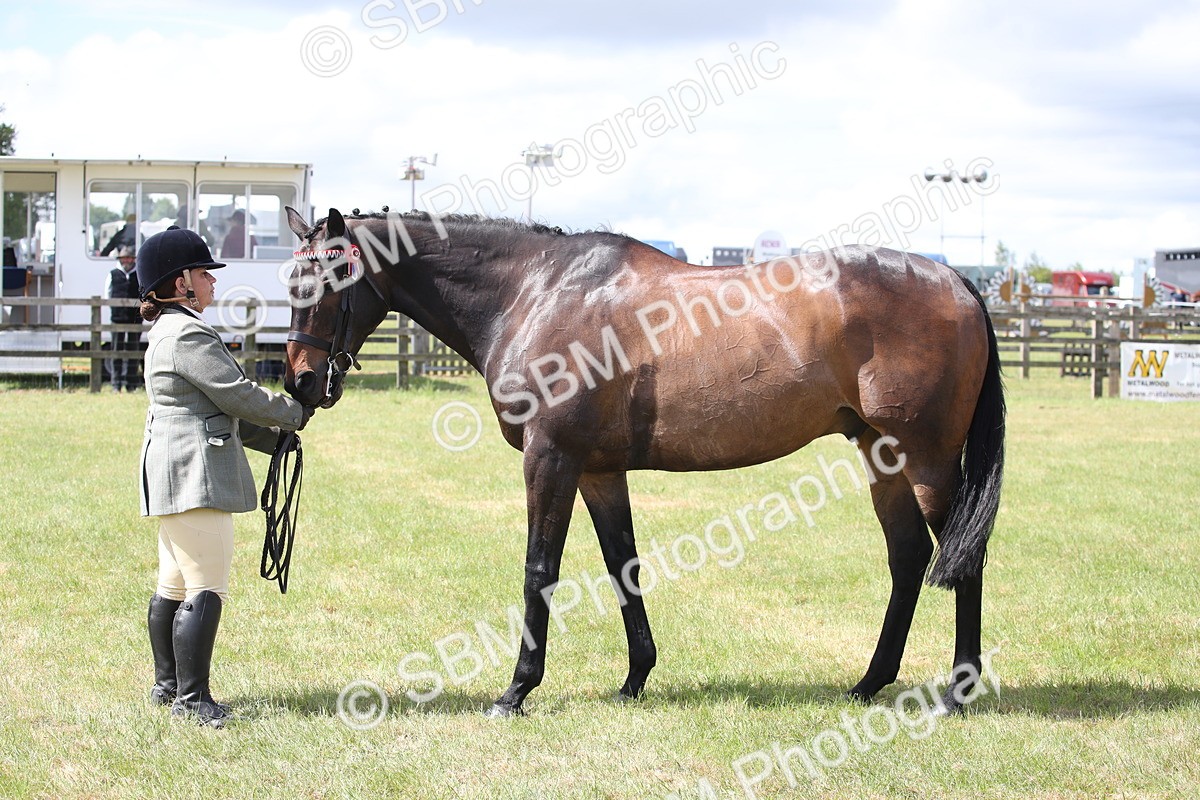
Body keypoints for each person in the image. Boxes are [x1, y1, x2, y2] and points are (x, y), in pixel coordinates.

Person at [136, 225, 313, 728]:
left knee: (172, 584)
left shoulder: (167, 331)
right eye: (204, 274)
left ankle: (169, 687)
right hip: (196, 470)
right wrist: (293, 414)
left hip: (173, 466)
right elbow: (236, 394)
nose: (213, 282)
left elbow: (216, 408)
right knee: (206, 586)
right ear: (180, 283)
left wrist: (273, 438)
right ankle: (194, 700)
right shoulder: (189, 332)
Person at [106, 246, 141, 392]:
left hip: (134, 318)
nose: (127, 261)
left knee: (134, 350)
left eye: (129, 258)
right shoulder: (113, 274)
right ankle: (116, 383)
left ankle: (131, 384)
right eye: (124, 258)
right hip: (118, 317)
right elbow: (107, 294)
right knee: (116, 350)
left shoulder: (138, 275)